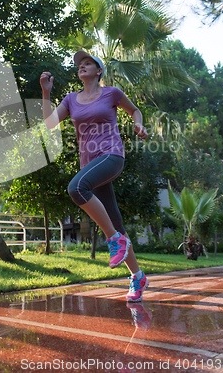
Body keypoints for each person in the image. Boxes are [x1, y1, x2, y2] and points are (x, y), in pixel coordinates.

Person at [40, 50, 149, 302]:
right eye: (80, 64)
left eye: (88, 63)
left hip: (111, 156)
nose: (82, 66)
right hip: (90, 163)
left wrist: (139, 124)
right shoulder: (70, 99)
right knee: (116, 221)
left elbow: (135, 111)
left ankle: (114, 240)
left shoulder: (112, 93)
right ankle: (137, 275)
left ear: (99, 71)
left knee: (76, 189)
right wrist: (46, 92)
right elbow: (48, 123)